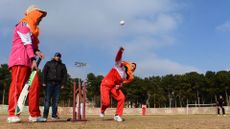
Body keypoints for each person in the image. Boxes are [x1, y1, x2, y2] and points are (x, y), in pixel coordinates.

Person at [7, 5, 47, 123]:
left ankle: (34, 115)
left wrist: (37, 51)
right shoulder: (23, 25)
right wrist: (33, 59)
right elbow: (27, 43)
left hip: (29, 61)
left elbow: (32, 46)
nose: (40, 19)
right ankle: (13, 114)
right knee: (17, 86)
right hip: (20, 60)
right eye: (39, 16)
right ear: (33, 14)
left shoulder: (31, 29)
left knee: (35, 86)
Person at [99, 47, 136, 122]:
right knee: (106, 103)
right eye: (132, 65)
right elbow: (118, 57)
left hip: (114, 87)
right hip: (106, 84)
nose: (132, 67)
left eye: (134, 67)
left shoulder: (127, 76)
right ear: (129, 64)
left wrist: (119, 85)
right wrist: (120, 51)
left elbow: (122, 83)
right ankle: (102, 111)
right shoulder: (119, 65)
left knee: (122, 98)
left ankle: (117, 115)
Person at [42, 52, 67, 120]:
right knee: (47, 100)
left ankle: (54, 115)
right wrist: (43, 82)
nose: (58, 57)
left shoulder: (62, 65)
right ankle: (45, 116)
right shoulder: (48, 63)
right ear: (54, 56)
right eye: (56, 56)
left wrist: (63, 84)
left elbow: (65, 76)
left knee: (55, 101)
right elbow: (44, 72)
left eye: (59, 56)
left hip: (58, 85)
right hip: (49, 83)